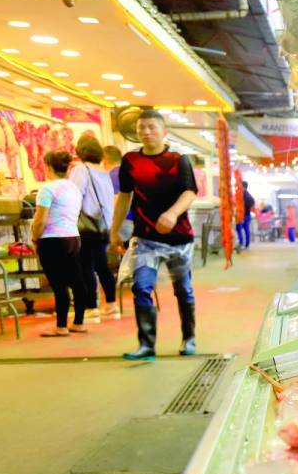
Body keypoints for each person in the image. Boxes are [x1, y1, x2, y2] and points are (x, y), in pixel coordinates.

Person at [109, 109, 200, 360]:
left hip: (179, 239)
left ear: (163, 131)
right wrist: (115, 230)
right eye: (141, 128)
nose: (146, 132)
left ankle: (189, 338)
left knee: (183, 290)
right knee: (141, 287)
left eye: (151, 127)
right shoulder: (130, 161)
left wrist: (172, 214)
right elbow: (124, 197)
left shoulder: (178, 160)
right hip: (145, 239)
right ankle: (146, 345)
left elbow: (190, 192)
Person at [31, 151, 88, 337]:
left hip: (52, 240)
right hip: (73, 237)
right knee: (77, 281)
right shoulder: (74, 189)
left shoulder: (47, 189)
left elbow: (40, 221)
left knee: (59, 284)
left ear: (48, 167)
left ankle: (61, 326)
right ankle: (78, 322)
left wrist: (34, 238)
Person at [70, 136, 117, 319]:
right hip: (103, 225)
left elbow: (74, 195)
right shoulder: (103, 172)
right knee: (102, 265)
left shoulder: (81, 170)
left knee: (86, 267)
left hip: (85, 226)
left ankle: (91, 306)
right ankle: (111, 304)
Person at [103, 145, 135, 245]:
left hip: (123, 223)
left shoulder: (111, 177)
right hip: (135, 222)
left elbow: (117, 201)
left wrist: (114, 228)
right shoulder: (128, 172)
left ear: (104, 160)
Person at [236, 180, 255, 251]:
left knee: (238, 228)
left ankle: (241, 243)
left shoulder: (243, 195)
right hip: (247, 215)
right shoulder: (248, 195)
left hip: (243, 215)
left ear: (242, 186)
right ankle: (246, 244)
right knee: (246, 229)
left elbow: (243, 204)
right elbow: (253, 202)